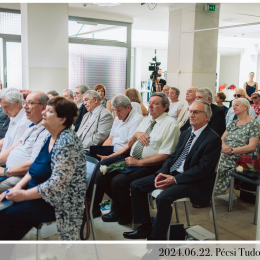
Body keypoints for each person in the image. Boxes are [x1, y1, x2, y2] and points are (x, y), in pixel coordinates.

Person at [123, 100, 221, 243]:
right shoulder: (186, 133)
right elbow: (173, 157)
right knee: (136, 185)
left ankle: (156, 241)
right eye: (190, 111)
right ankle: (144, 226)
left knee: (163, 198)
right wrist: (161, 173)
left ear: (206, 117)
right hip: (174, 174)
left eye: (196, 112)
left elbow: (202, 170)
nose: (191, 115)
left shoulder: (213, 139)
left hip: (193, 182)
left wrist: (174, 180)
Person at [0, 96, 86, 240]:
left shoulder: (67, 143)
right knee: (5, 209)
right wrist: (18, 188)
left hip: (58, 202)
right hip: (38, 194)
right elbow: (35, 167)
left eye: (49, 111)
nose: (44, 113)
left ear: (62, 119)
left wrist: (24, 195)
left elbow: (56, 186)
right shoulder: (50, 137)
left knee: (8, 214)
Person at [93, 92, 180, 225]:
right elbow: (131, 142)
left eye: (155, 103)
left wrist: (138, 162)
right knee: (102, 174)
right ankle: (125, 209)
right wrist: (137, 135)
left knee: (118, 181)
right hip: (133, 159)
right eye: (149, 102)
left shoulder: (170, 124)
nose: (150, 106)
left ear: (165, 106)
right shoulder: (146, 120)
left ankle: (123, 211)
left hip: (151, 165)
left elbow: (165, 156)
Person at [89, 95, 143, 217]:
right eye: (115, 110)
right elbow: (110, 138)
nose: (116, 114)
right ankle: (91, 204)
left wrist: (109, 156)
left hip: (124, 154)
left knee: (101, 170)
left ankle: (98, 206)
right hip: (113, 150)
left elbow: (129, 147)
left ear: (128, 107)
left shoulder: (136, 119)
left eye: (119, 110)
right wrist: (101, 151)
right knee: (90, 159)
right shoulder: (119, 116)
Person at [0, 92, 49, 193]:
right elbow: (16, 145)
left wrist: (5, 172)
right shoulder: (33, 125)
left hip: (20, 175)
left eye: (30, 103)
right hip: (10, 171)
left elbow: (33, 164)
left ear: (44, 107)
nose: (25, 106)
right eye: (25, 103)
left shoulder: (46, 131)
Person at [215, 98, 260, 193]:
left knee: (215, 164)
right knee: (210, 159)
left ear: (245, 107)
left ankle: (209, 192)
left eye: (237, 105)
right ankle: (207, 191)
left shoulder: (253, 123)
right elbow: (222, 139)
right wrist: (225, 147)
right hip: (227, 154)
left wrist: (232, 151)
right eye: (233, 105)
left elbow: (252, 146)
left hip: (243, 158)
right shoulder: (232, 123)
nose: (234, 107)